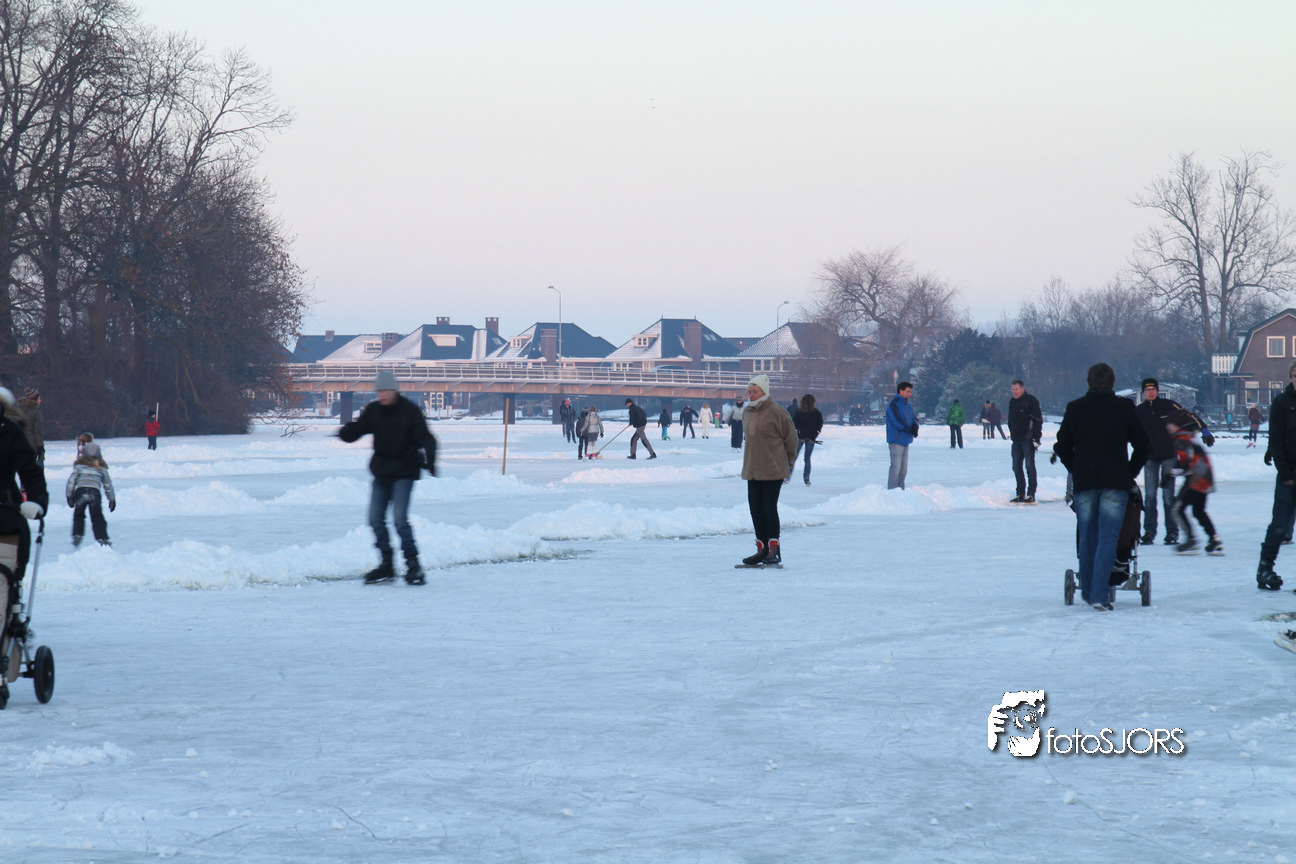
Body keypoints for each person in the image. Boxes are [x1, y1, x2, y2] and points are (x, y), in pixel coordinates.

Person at [1052, 363, 1152, 611]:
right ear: (1112, 382)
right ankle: (1099, 594)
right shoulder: (1124, 408)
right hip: (1115, 481)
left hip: (1086, 481)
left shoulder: (1076, 408)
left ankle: (1088, 590)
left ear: (1089, 381)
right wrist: (1129, 473)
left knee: (1088, 537)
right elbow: (1144, 446)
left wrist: (1076, 468)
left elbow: (1061, 446)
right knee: (1108, 538)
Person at [338, 370, 438, 585]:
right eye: (379, 391)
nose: (382, 395)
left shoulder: (410, 411)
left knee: (399, 519)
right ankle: (387, 564)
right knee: (375, 519)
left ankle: (413, 564)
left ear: (394, 390)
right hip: (382, 472)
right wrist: (347, 432)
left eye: (385, 391)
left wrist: (430, 460)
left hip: (405, 471)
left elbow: (426, 438)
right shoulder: (374, 410)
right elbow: (360, 428)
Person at [0, 389, 48, 696]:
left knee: (2, 590)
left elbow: (30, 472)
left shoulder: (10, 433)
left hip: (5, 522)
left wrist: (37, 502)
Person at [1135, 377, 1213, 546]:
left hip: (1169, 456)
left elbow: (1190, 416)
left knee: (1168, 497)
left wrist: (1204, 429)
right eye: (1147, 390)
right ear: (1143, 392)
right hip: (1150, 458)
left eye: (1153, 389)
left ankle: (1172, 531)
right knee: (1150, 497)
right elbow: (1130, 430)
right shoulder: (1139, 411)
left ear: (1157, 391)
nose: (1150, 392)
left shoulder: (1168, 405)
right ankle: (1149, 532)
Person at [737, 375, 797, 567]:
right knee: (755, 509)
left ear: (764, 391)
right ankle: (761, 549)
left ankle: (773, 550)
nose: (751, 395)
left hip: (773, 469)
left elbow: (791, 440)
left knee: (768, 508)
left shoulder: (777, 412)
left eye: (755, 391)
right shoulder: (747, 412)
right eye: (750, 392)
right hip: (753, 468)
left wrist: (787, 462)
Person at [1257, 360, 1296, 591]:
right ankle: (1265, 568)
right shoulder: (1281, 403)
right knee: (1279, 525)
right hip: (1289, 473)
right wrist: (1284, 472)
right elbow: (1276, 439)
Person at [1166, 409, 1221, 556]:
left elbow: (1184, 464)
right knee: (1198, 511)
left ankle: (1191, 540)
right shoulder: (1189, 436)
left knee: (1177, 509)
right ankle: (1215, 540)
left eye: (1170, 424)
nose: (1168, 427)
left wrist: (1169, 474)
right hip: (1205, 476)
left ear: (1177, 426)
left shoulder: (1181, 439)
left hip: (1196, 479)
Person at [66, 441, 115, 547]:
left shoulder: (79, 467)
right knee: (97, 516)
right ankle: (102, 538)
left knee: (79, 515)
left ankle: (77, 535)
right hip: (94, 493)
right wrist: (111, 499)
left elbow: (71, 481)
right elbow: (108, 485)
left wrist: (69, 496)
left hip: (81, 492)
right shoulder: (102, 468)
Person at [1008, 380, 1043, 503]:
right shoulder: (1012, 402)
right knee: (1016, 467)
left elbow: (1038, 420)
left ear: (1022, 389)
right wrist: (1012, 431)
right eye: (1013, 390)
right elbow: (1010, 419)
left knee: (1029, 466)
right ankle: (1020, 493)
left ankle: (1031, 494)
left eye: (1016, 389)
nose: (1014, 392)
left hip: (1028, 439)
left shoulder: (1030, 401)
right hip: (1016, 439)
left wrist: (1036, 438)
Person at [885, 382, 918, 490]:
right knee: (896, 469)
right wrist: (910, 429)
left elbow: (913, 419)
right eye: (908, 391)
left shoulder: (907, 405)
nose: (910, 394)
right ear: (901, 391)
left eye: (910, 392)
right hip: (896, 441)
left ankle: (901, 492)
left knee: (903, 471)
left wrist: (915, 426)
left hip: (905, 440)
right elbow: (897, 422)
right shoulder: (893, 405)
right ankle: (892, 491)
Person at [790, 393, 824, 486]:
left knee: (794, 457)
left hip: (800, 437)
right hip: (811, 439)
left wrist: (797, 434)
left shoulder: (799, 412)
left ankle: (787, 476)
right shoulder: (816, 413)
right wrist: (814, 436)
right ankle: (806, 477)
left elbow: (795, 424)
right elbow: (819, 426)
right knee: (807, 458)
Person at [17, 388, 43, 465]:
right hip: (33, 445)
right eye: (39, 398)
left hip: (20, 445)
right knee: (38, 468)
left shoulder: (18, 410)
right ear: (34, 399)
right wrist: (40, 446)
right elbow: (37, 431)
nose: (40, 400)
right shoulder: (35, 412)